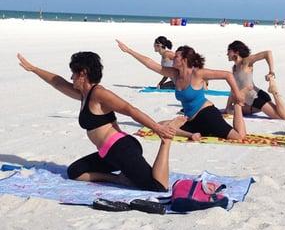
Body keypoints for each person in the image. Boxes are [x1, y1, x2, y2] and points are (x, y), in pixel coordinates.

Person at [17, 52, 186, 191]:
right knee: (75, 172)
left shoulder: (99, 93)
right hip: (108, 154)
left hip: (122, 148)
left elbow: (129, 110)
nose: (71, 77)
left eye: (73, 73)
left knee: (157, 187)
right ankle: (119, 179)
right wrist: (33, 69)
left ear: (83, 73)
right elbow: (57, 82)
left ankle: (166, 142)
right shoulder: (83, 94)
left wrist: (157, 128)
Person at [116, 40, 247, 141]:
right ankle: (191, 135)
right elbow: (150, 64)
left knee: (238, 137)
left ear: (184, 60)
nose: (173, 58)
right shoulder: (174, 74)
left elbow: (227, 75)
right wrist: (128, 50)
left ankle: (237, 107)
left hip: (207, 115)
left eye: (176, 56)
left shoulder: (198, 74)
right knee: (161, 126)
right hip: (190, 119)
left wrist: (237, 94)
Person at [225, 40, 285, 120]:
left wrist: (271, 71)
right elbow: (233, 89)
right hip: (252, 99)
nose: (227, 54)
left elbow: (267, 53)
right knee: (231, 109)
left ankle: (274, 91)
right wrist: (227, 107)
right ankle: (271, 94)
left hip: (256, 99)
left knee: (283, 116)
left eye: (229, 51)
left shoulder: (246, 61)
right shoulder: (234, 68)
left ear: (236, 52)